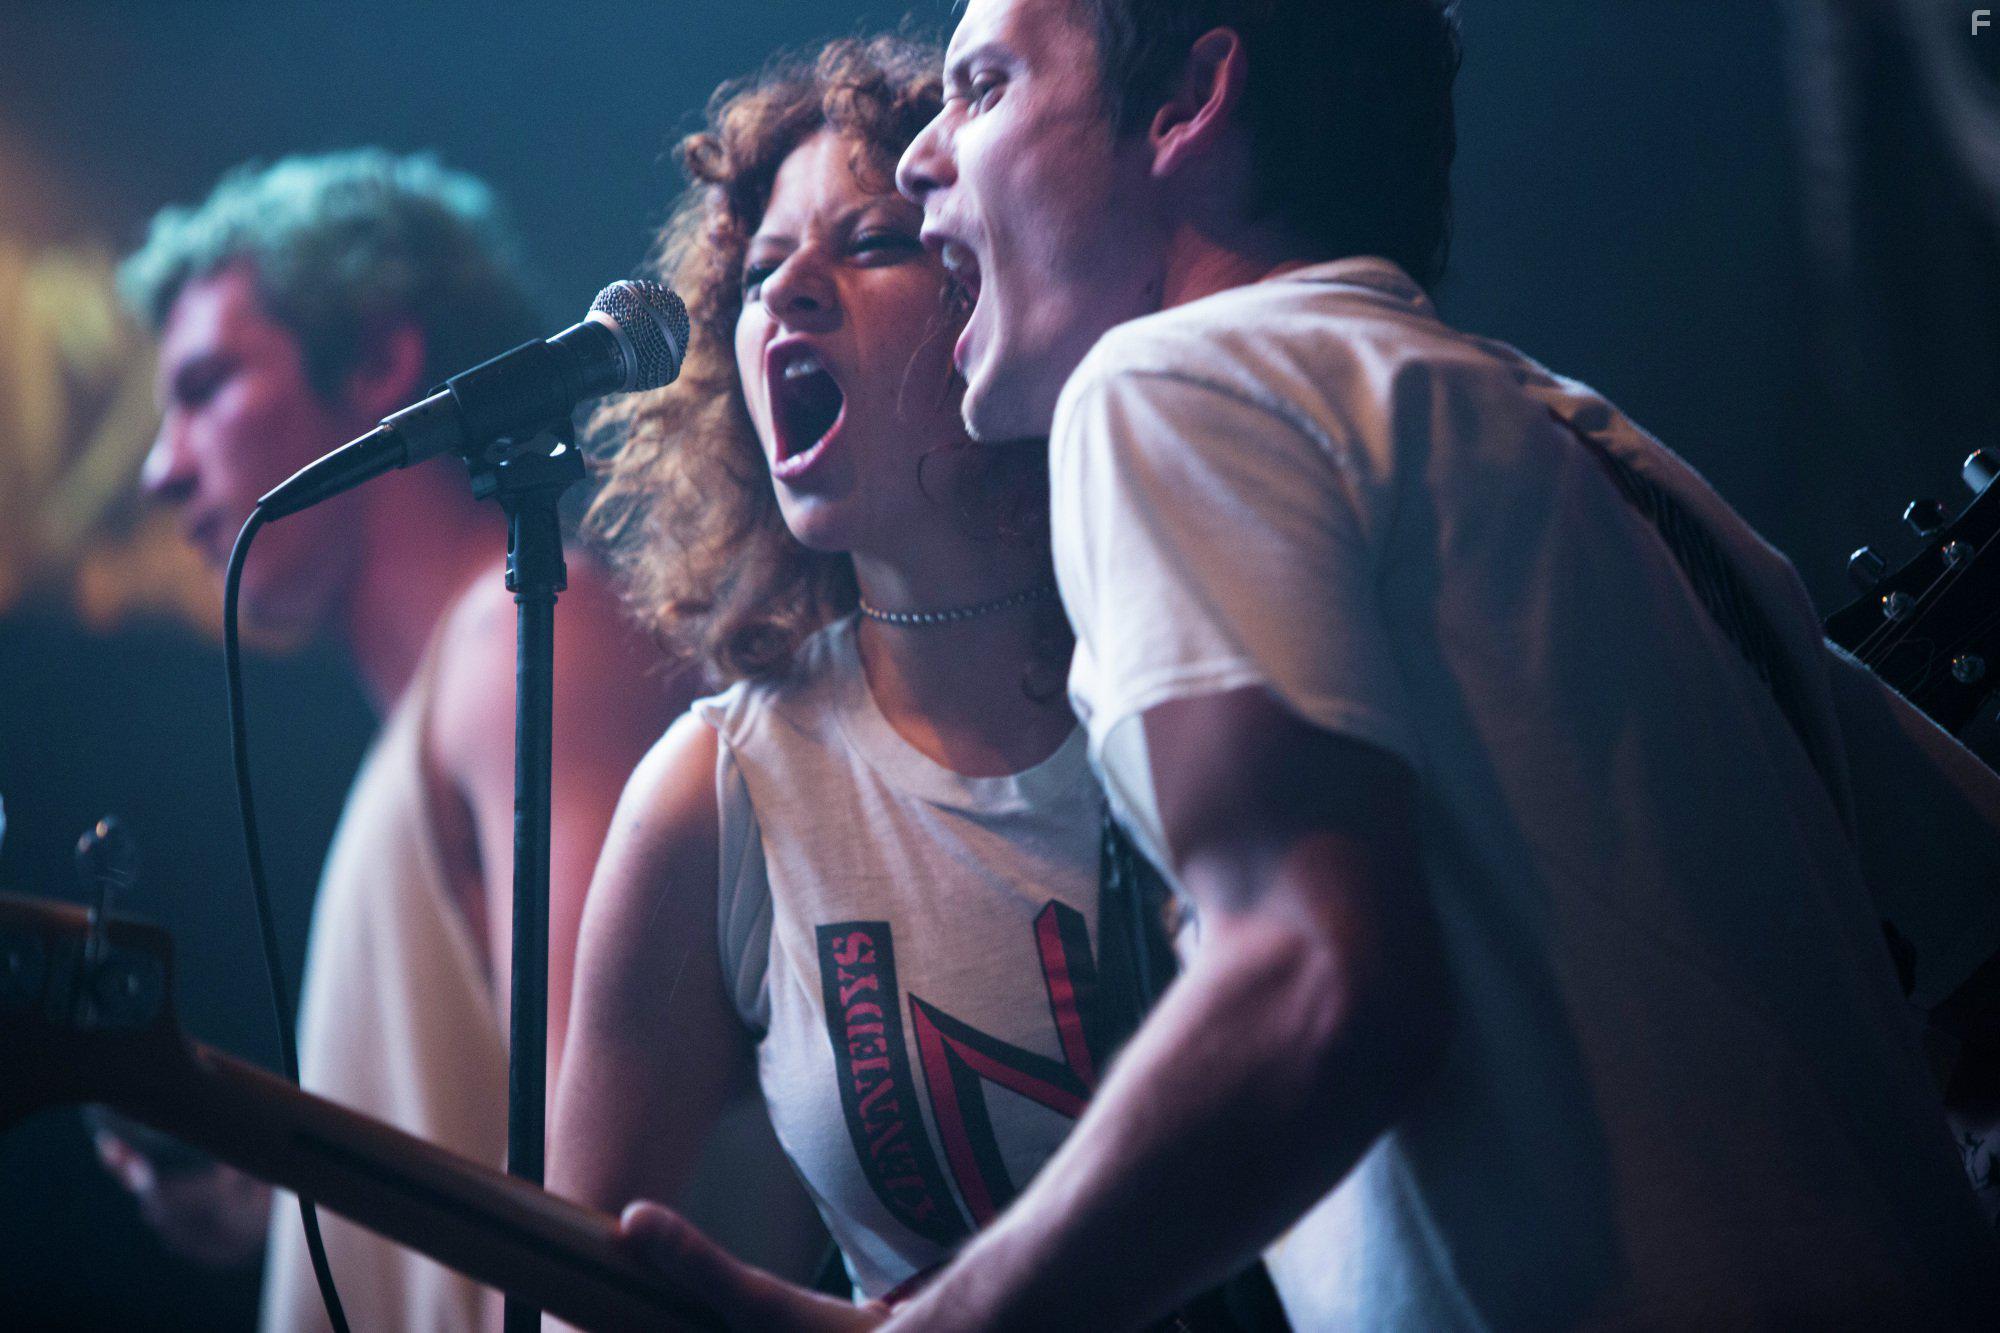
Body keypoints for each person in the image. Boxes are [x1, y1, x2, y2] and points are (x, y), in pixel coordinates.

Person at [606, 2, 2000, 1328]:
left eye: (984, 89)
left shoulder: (1172, 384)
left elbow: (1319, 989)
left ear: (1188, 105)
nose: (926, 159)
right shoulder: (1619, 466)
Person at [549, 34, 1152, 1320]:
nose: (786, 295)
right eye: (758, 272)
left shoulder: (1188, 652)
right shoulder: (718, 798)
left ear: (997, 279)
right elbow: (567, 1294)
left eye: (872, 242)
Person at [95, 149, 699, 1331]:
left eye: (207, 385)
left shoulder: (526, 649)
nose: (160, 468)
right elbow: (497, 1149)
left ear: (379, 357)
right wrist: (280, 1198)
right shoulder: (453, 691)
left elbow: (610, 1200)